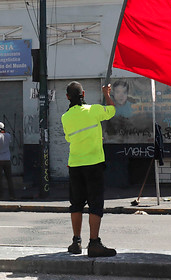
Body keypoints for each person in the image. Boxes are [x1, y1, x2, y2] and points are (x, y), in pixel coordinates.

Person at [61, 81, 117, 257]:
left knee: (76, 203)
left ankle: (76, 242)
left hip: (75, 164)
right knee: (95, 203)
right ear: (83, 94)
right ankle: (94, 244)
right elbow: (112, 110)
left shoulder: (65, 118)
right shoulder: (94, 110)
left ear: (67, 97)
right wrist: (106, 94)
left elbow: (69, 139)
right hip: (94, 164)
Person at [0, 122, 15, 199]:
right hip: (7, 159)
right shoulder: (8, 136)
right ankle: (12, 195)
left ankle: (0, 196)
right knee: (9, 178)